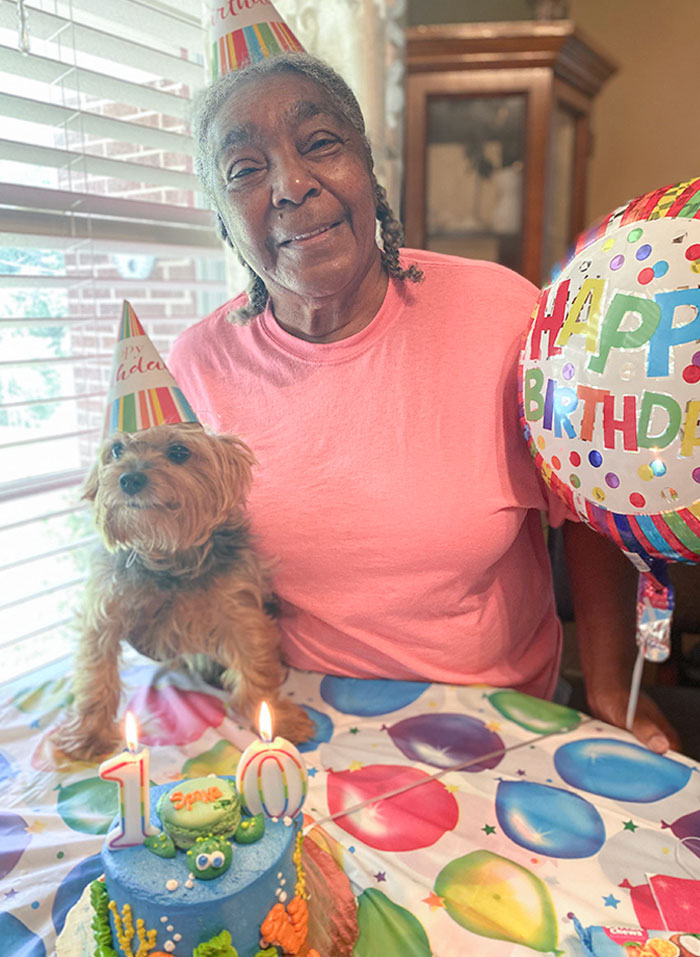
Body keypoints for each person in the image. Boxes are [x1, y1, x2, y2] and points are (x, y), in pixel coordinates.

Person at [168, 50, 678, 754]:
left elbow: (589, 509)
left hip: (498, 722)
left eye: (320, 143)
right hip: (300, 720)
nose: (290, 184)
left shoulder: (505, 315)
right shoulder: (196, 365)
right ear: (223, 220)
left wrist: (611, 690)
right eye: (245, 170)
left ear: (368, 172)